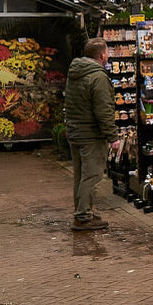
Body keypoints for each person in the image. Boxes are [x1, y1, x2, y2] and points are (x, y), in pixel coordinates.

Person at [65, 37, 116, 231]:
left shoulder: (75, 72)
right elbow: (103, 110)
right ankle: (83, 216)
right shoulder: (98, 77)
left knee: (80, 176)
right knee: (92, 176)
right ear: (102, 55)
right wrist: (113, 136)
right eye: (107, 53)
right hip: (91, 134)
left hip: (75, 131)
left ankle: (83, 211)